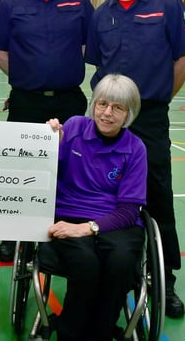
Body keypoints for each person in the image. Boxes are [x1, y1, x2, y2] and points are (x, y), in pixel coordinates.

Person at [85, 0, 185, 318]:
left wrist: (157, 102)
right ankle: (117, 268)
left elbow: (183, 61)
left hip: (149, 117)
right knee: (108, 192)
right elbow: (98, 68)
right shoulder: (101, 15)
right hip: (108, 119)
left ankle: (166, 278)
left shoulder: (167, 5)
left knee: (158, 195)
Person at [0, 0, 94, 262]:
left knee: (70, 172)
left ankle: (67, 230)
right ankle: (13, 235)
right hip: (26, 101)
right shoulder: (10, 3)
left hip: (69, 102)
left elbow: (89, 45)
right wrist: (26, 77)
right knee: (18, 170)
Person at [45, 73, 147, 341]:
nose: (107, 113)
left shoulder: (135, 148)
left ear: (129, 113)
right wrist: (48, 143)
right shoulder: (74, 128)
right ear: (93, 104)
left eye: (118, 108)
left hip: (116, 220)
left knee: (122, 262)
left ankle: (100, 331)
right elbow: (44, 175)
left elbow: (128, 211)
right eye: (102, 104)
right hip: (68, 212)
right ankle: (70, 333)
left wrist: (87, 229)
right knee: (86, 263)